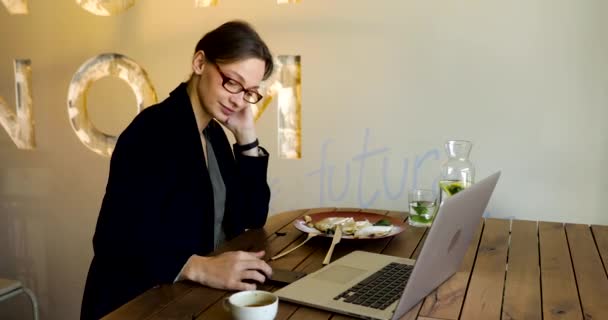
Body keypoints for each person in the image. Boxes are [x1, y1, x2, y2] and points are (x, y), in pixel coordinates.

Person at [81, 20, 275, 320]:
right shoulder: (151, 130)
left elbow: (251, 216)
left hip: (190, 299)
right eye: (232, 82)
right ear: (200, 63)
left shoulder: (214, 135)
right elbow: (113, 240)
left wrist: (246, 137)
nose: (238, 99)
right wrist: (197, 266)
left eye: (249, 91)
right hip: (134, 303)